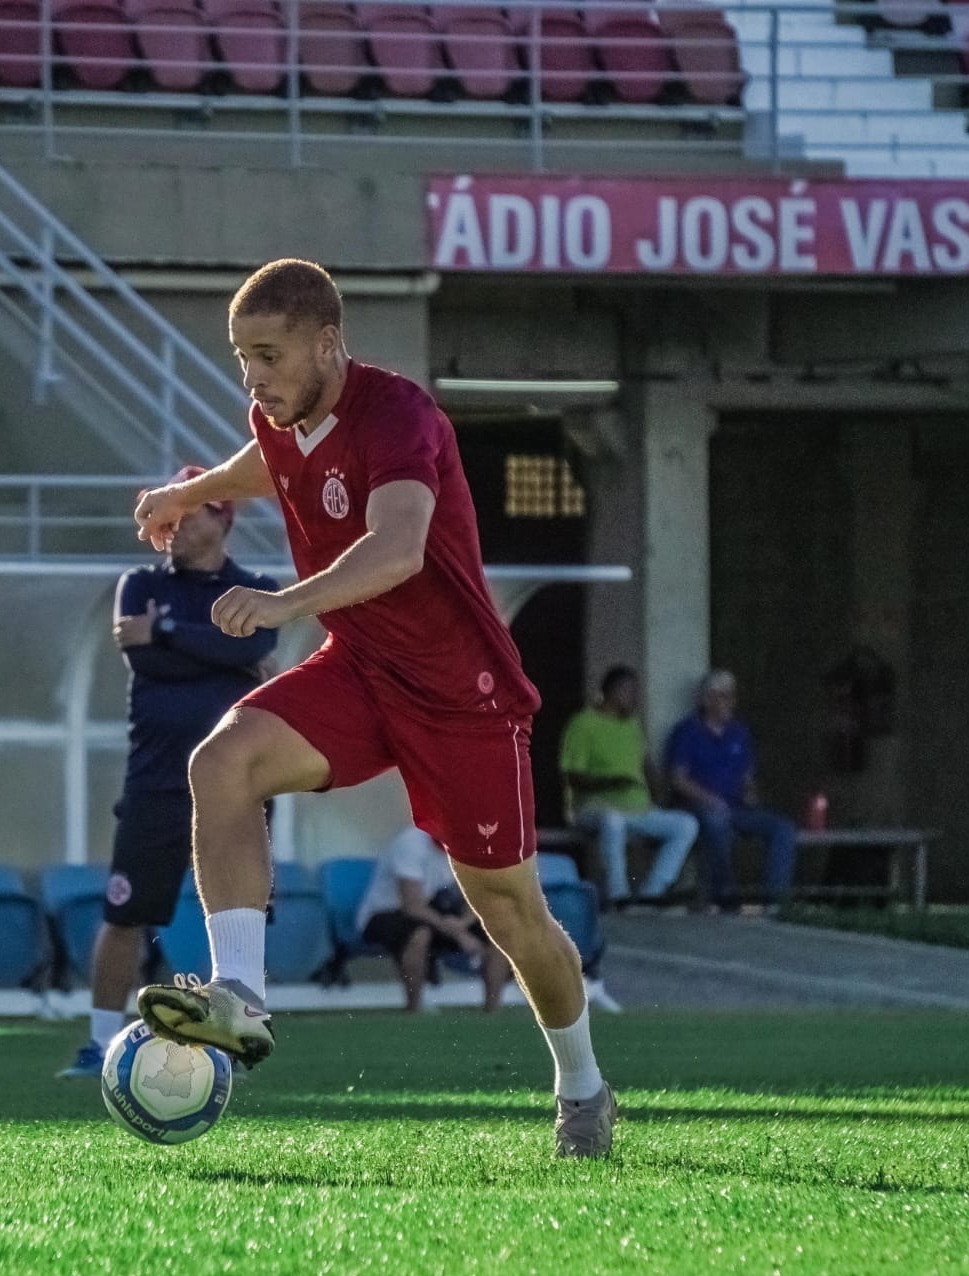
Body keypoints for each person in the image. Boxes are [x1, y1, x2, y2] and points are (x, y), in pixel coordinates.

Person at [127, 259, 616, 1158]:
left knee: (510, 916)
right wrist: (191, 493)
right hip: (360, 668)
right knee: (221, 762)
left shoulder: (401, 415)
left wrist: (279, 603)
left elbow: (396, 550)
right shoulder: (276, 416)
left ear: (327, 343)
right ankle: (240, 998)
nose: (254, 378)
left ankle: (581, 1084)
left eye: (268, 355)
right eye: (243, 359)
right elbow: (263, 463)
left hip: (462, 692)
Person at [57, 466, 278, 1079]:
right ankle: (98, 1043)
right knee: (126, 912)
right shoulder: (140, 584)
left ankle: (234, 1034)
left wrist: (174, 631)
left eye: (189, 515)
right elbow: (151, 660)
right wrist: (214, 648)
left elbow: (249, 647)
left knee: (238, 913)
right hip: (156, 777)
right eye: (168, 518)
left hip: (238, 781)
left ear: (223, 517)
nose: (174, 529)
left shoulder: (255, 586)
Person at [559, 665, 698, 909]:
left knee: (686, 824)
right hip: (593, 808)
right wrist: (612, 782)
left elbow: (646, 765)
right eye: (629, 690)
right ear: (611, 691)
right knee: (613, 821)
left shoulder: (632, 725)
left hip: (638, 809)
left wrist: (659, 794)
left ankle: (652, 893)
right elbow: (572, 776)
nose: (635, 696)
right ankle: (618, 895)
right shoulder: (584, 723)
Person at [665, 668, 798, 914]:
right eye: (724, 695)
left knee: (783, 828)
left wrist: (750, 793)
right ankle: (727, 897)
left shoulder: (739, 732)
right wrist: (710, 799)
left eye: (732, 695)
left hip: (736, 807)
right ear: (706, 699)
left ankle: (774, 902)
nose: (731, 702)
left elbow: (747, 777)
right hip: (698, 807)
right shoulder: (687, 732)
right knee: (716, 822)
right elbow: (678, 780)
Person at [355, 824, 512, 1013]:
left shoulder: (469, 847)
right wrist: (458, 934)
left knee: (500, 932)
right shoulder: (410, 844)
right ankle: (414, 1009)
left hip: (432, 912)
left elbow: (481, 896)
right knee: (420, 933)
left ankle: (492, 1012)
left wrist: (463, 924)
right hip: (384, 914)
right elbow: (412, 906)